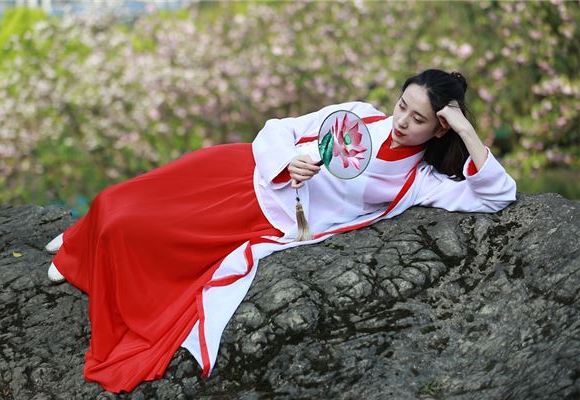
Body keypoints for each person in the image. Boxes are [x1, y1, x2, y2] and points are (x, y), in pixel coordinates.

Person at [44, 69, 517, 392]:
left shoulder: (419, 182)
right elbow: (281, 126)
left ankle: (87, 255)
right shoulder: (358, 114)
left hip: (266, 216)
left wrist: (465, 129)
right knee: (120, 198)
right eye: (401, 106)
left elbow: (498, 195)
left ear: (439, 129)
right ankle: (78, 246)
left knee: (130, 227)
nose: (401, 123)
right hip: (249, 169)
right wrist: (288, 161)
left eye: (419, 119)